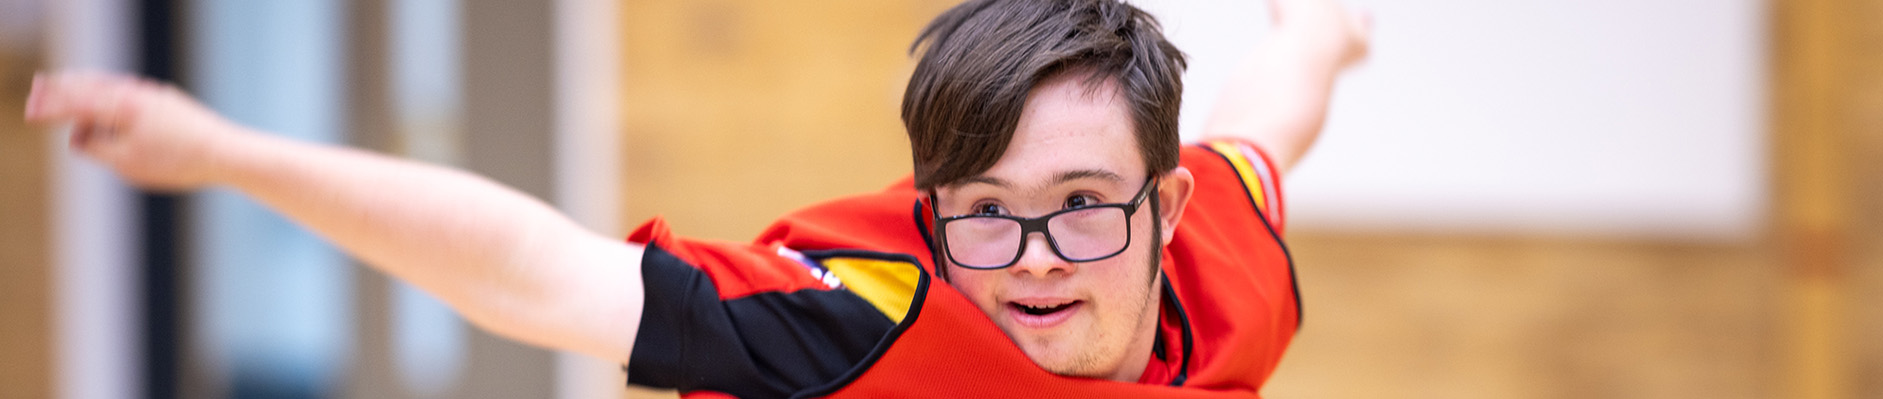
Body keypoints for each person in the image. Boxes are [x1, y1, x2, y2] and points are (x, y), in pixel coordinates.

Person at [23, 0, 1368, 397]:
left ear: (1167, 209)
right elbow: (535, 273)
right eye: (983, 208)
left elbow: (1269, 113)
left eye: (1082, 202)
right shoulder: (874, 318)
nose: (1030, 259)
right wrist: (224, 155)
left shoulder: (1225, 259)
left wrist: (1324, 29)